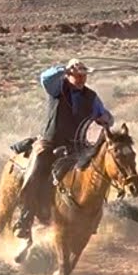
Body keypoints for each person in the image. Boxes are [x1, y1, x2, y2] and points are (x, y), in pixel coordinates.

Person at [14, 59, 114, 240]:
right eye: (77, 75)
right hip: (50, 142)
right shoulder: (57, 88)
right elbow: (45, 78)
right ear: (68, 75)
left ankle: (90, 219)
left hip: (76, 145)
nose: (81, 79)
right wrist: (64, 69)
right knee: (36, 169)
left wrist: (105, 119)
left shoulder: (91, 97)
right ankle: (25, 218)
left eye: (84, 75)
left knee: (97, 173)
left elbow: (106, 116)